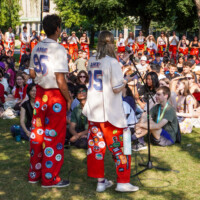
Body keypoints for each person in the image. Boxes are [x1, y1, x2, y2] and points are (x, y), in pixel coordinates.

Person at [82, 30, 139, 192]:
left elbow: (104, 72)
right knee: (123, 146)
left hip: (94, 112)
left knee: (96, 148)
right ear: (111, 43)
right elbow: (116, 88)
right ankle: (123, 182)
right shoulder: (112, 62)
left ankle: (101, 181)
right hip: (110, 113)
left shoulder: (91, 60)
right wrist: (126, 80)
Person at [28, 14, 71, 188]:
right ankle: (49, 177)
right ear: (58, 29)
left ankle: (34, 174)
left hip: (40, 95)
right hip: (55, 96)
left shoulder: (37, 46)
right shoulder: (59, 49)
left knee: (37, 134)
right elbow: (60, 79)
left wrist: (41, 77)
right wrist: (68, 98)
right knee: (54, 136)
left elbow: (31, 73)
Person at [69, 85, 88, 149]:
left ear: (87, 93)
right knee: (64, 132)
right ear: (76, 96)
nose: (81, 93)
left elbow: (92, 127)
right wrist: (76, 135)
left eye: (83, 91)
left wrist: (77, 136)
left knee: (83, 144)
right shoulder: (76, 109)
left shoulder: (92, 107)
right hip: (80, 131)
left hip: (92, 131)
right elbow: (71, 127)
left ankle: (74, 141)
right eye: (79, 92)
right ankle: (77, 140)